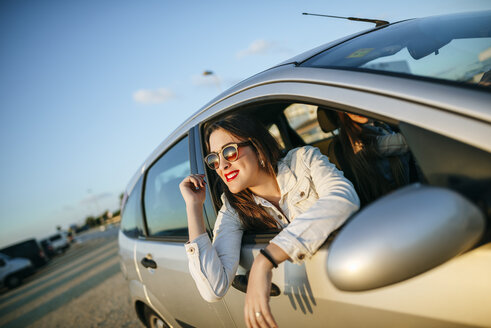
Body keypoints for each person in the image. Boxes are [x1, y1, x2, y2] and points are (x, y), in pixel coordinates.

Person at [179, 113, 360, 328]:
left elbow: (342, 198)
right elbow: (213, 289)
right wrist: (194, 206)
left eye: (229, 151)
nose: (222, 165)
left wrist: (264, 261)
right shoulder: (233, 208)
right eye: (214, 159)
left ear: (257, 146)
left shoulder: (303, 160)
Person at [335, 112, 412, 206]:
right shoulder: (358, 144)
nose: (356, 111)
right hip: (396, 200)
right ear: (343, 113)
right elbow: (409, 141)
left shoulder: (371, 127)